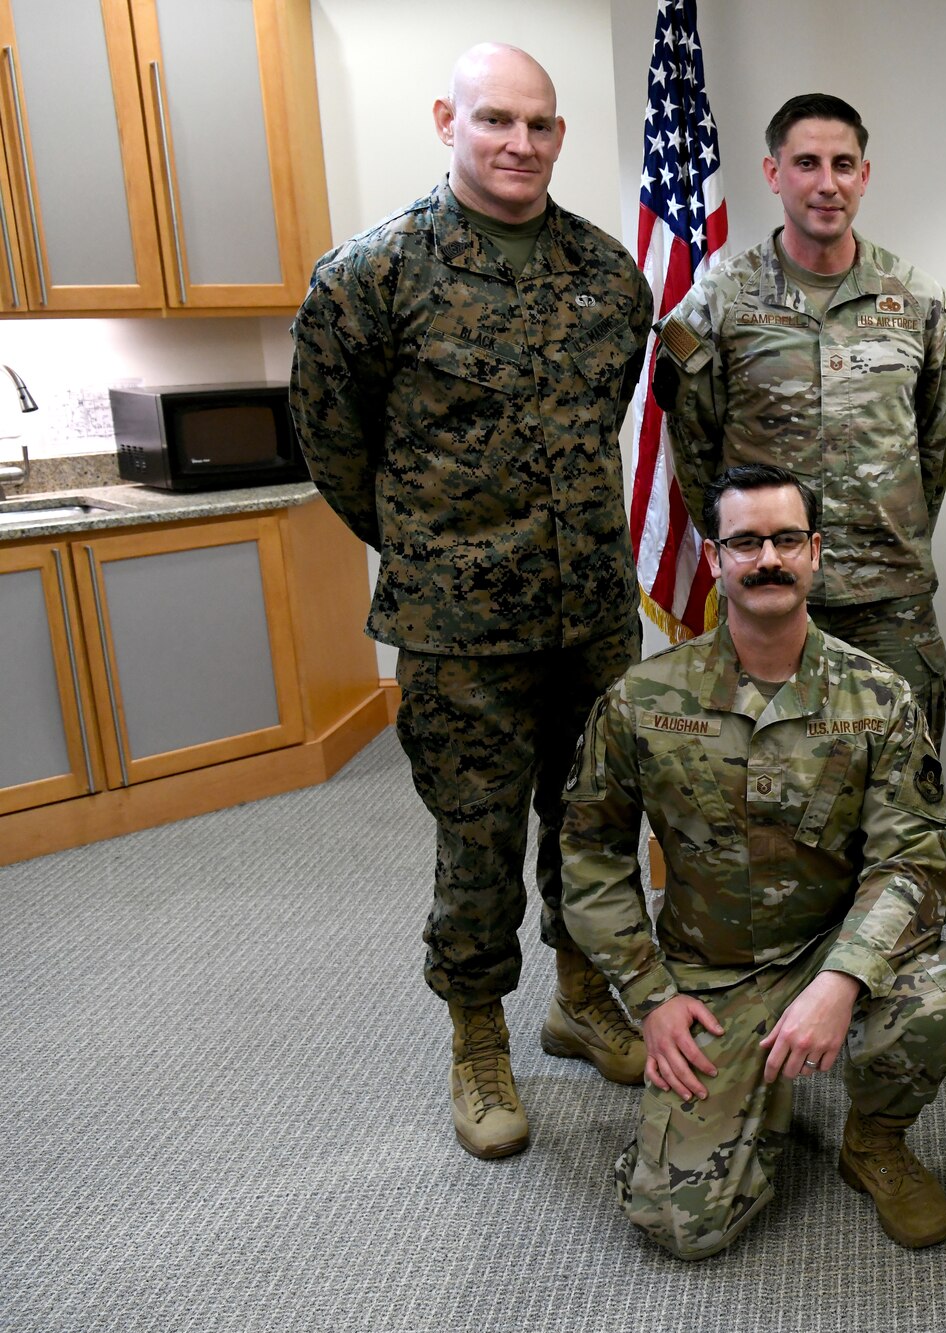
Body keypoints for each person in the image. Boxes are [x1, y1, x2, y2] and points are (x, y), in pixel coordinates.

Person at [289, 42, 651, 1160]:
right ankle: (477, 1035)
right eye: (496, 120)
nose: (520, 144)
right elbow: (332, 446)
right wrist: (436, 548)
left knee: (594, 822)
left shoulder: (608, 276)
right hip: (459, 629)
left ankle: (582, 996)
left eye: (539, 125)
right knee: (479, 837)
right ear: (448, 117)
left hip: (590, 612)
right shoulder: (371, 276)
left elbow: (603, 420)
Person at [562, 463, 946, 1261]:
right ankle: (754, 1088)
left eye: (787, 538)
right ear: (715, 558)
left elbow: (911, 861)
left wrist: (841, 978)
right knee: (680, 1227)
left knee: (935, 997)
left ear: (816, 552)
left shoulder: (878, 697)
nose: (768, 559)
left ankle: (874, 1142)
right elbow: (588, 853)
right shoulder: (644, 700)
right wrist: (648, 997)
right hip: (711, 970)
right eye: (746, 541)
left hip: (831, 946)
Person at [652, 93, 946, 744]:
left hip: (891, 602)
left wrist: (888, 537)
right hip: (768, 592)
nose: (827, 184)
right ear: (773, 174)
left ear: (864, 175)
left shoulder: (920, 301)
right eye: (806, 163)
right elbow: (697, 452)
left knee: (902, 791)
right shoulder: (720, 303)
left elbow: (934, 445)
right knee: (766, 796)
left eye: (843, 164)